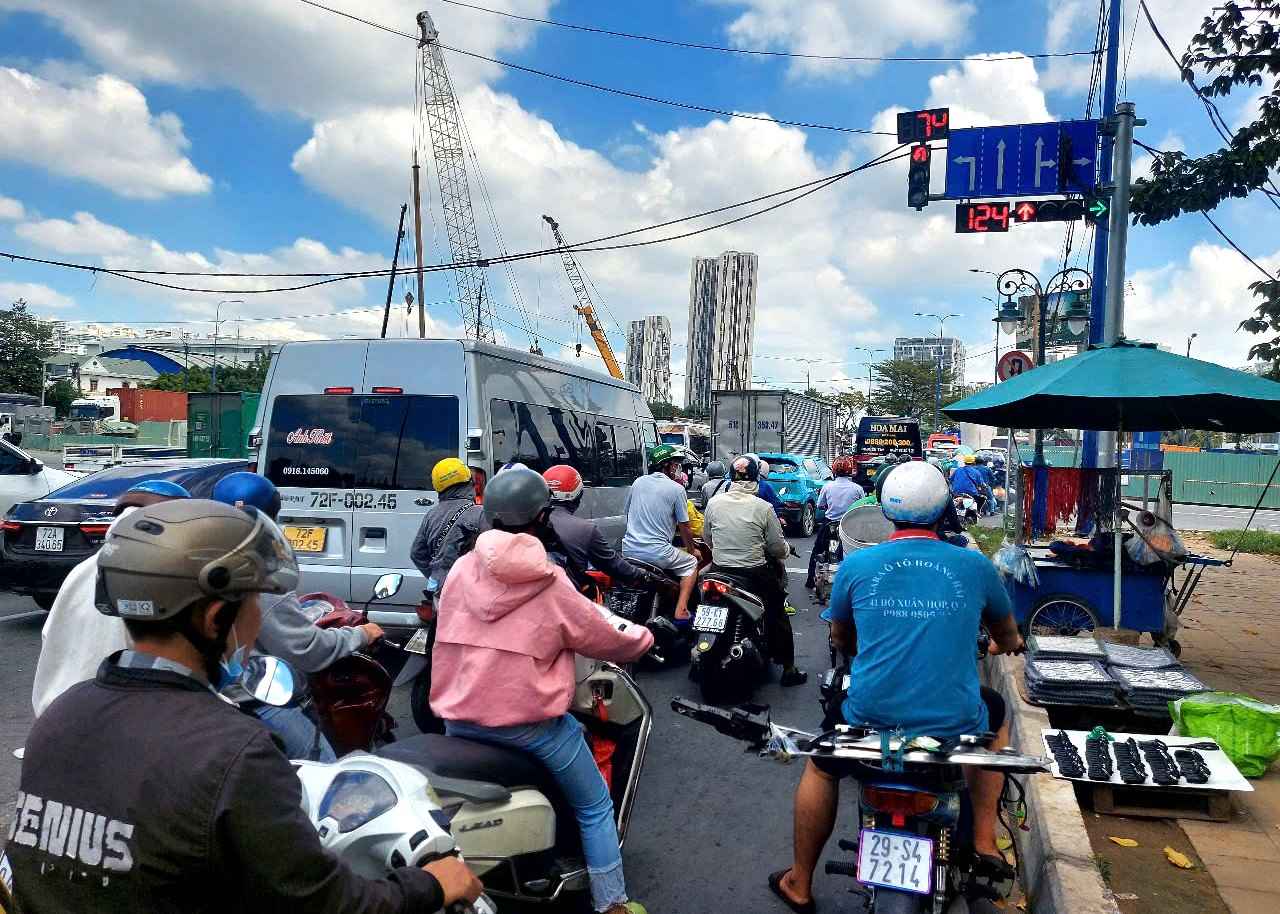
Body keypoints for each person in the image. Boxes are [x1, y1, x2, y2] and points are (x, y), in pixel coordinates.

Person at [4, 499, 482, 913]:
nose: (257, 619)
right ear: (216, 619)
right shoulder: (235, 753)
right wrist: (430, 885)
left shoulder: (62, 716)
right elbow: (324, 901)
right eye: (254, 603)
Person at [769, 461, 1025, 914]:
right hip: (953, 721)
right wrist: (1000, 644)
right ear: (944, 509)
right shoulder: (973, 565)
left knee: (822, 767)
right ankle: (985, 838)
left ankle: (800, 881)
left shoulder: (858, 564)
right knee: (994, 715)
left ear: (886, 511)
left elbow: (841, 639)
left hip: (869, 717)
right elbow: (1007, 637)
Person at [430, 468, 653, 914]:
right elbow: (599, 631)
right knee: (595, 805)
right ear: (541, 517)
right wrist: (645, 638)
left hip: (458, 717)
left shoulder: (461, 569)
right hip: (528, 725)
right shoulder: (549, 580)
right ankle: (612, 903)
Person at [211, 471, 382, 761]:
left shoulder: (203, 559)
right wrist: (360, 634)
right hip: (252, 697)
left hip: (207, 693)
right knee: (326, 770)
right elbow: (305, 650)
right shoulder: (257, 572)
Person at [30, 479, 191, 717]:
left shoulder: (84, 568)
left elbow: (50, 635)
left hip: (56, 713)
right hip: (113, 715)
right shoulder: (152, 574)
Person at [702, 454, 807, 687]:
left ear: (731, 478)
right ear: (756, 479)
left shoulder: (714, 503)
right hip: (753, 573)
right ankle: (789, 669)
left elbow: (707, 538)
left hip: (719, 570)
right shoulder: (763, 507)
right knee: (777, 611)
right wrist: (786, 551)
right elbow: (777, 548)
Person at [542, 464, 661, 592]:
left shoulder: (529, 523)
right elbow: (613, 565)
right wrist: (642, 575)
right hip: (566, 598)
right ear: (579, 496)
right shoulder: (585, 529)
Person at [621, 444, 698, 619]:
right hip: (657, 554)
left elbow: (627, 513)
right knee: (691, 564)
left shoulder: (638, 482)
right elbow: (685, 526)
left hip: (629, 550)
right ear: (666, 465)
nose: (677, 468)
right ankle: (681, 610)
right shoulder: (677, 489)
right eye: (675, 464)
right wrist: (692, 550)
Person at [410, 457, 484, 595]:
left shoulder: (431, 514)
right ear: (470, 483)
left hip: (438, 589)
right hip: (466, 590)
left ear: (438, 488)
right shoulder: (480, 514)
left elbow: (416, 553)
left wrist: (436, 574)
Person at [804, 456, 865, 590]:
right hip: (849, 526)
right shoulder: (857, 489)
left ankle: (810, 581)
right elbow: (861, 506)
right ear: (850, 471)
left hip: (829, 525)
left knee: (817, 551)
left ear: (834, 471)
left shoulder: (828, 486)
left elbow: (820, 505)